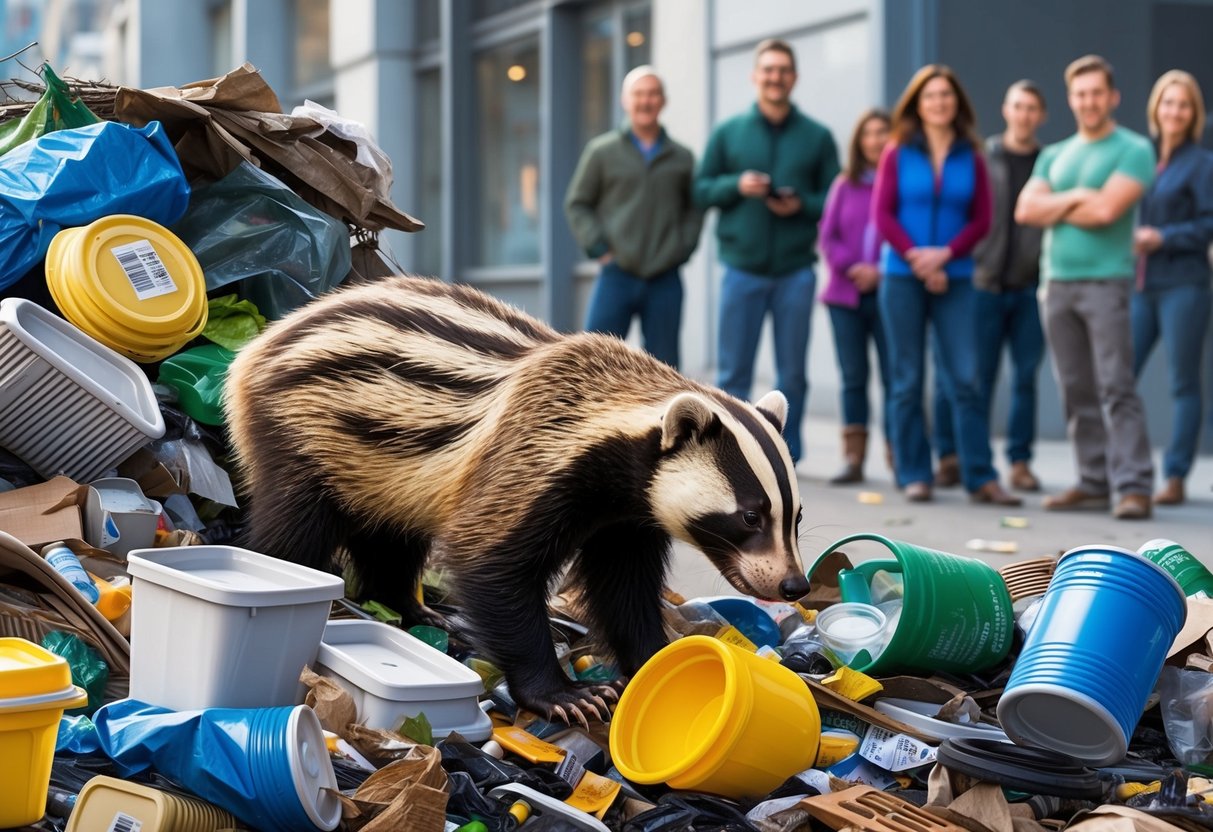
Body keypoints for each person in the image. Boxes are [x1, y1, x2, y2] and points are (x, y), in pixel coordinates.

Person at [1016, 55, 1157, 520]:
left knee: (1116, 385)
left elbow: (1106, 213)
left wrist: (1057, 202)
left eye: (1097, 92)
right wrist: (1079, 195)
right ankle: (1093, 481)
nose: (1089, 101)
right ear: (1071, 98)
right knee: (1075, 388)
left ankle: (1133, 485)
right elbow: (1025, 210)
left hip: (1106, 282)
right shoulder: (1054, 153)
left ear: (1112, 97)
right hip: (1056, 283)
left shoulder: (1133, 149)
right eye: (1080, 93)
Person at [873, 65, 1020, 506]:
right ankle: (916, 473)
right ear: (918, 104)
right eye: (931, 96)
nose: (939, 102)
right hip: (902, 275)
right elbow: (883, 215)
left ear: (957, 103)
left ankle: (980, 476)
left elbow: (982, 220)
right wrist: (918, 258)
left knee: (966, 379)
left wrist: (944, 255)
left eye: (946, 95)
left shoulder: (972, 156)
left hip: (955, 278)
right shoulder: (897, 152)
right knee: (906, 379)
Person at [694, 38, 840, 463]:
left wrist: (802, 205)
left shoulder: (817, 137)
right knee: (733, 373)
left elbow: (836, 201)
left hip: (796, 270)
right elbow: (701, 191)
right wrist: (735, 186)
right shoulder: (728, 133)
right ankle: (727, 457)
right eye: (768, 70)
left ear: (793, 78)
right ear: (755, 76)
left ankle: (785, 458)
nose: (775, 77)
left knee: (792, 373)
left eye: (783, 70)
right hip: (742, 268)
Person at [934, 81, 1049, 492]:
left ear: (1041, 116)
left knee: (1025, 378)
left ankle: (1020, 462)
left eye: (1032, 108)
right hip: (981, 283)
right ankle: (953, 457)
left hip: (1028, 287)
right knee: (969, 377)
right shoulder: (984, 157)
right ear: (1006, 109)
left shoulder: (1048, 162)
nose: (1024, 114)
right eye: (1018, 106)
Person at [565, 65, 703, 368]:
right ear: (625, 101)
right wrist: (599, 248)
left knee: (665, 370)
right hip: (617, 274)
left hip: (665, 279)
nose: (646, 101)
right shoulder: (601, 151)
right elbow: (578, 203)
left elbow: (694, 208)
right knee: (593, 362)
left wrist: (682, 248)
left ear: (663, 101)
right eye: (639, 94)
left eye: (653, 94)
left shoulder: (682, 157)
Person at [1132, 70, 1213, 506]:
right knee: (1120, 377)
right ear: (1156, 109)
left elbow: (1209, 223)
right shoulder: (1143, 159)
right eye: (1168, 102)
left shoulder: (1202, 165)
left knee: (1183, 382)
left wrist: (1164, 236)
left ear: (1192, 113)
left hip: (1185, 283)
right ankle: (1126, 470)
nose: (1174, 111)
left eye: (1183, 104)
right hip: (1142, 285)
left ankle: (1177, 475)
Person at [818, 108, 893, 484]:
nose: (876, 140)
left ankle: (899, 457)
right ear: (859, 141)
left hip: (890, 291)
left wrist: (880, 268)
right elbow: (827, 236)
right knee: (853, 377)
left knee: (896, 376)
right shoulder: (844, 184)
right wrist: (855, 268)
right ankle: (853, 458)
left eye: (884, 132)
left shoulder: (899, 182)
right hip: (845, 295)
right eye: (870, 133)